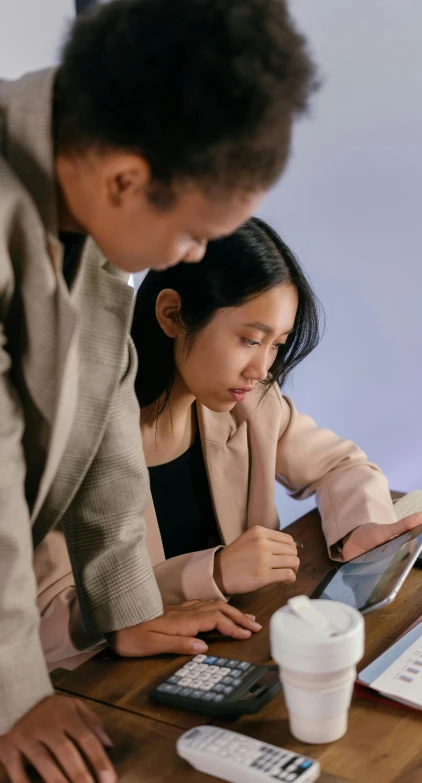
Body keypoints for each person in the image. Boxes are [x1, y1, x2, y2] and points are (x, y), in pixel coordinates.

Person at [0, 0, 317, 780]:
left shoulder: (83, 188)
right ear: (125, 181)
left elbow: (106, 409)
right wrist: (13, 694)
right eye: (196, 233)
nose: (200, 252)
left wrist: (127, 608)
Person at [36, 218, 422, 666]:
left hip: (237, 651)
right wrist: (212, 572)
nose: (260, 369)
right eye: (249, 340)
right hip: (109, 686)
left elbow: (341, 465)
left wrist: (360, 529)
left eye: (276, 345)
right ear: (172, 315)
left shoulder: (253, 404)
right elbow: (44, 626)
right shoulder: (81, 432)